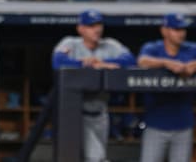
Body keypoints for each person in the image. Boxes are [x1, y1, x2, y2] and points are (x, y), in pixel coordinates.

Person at [52, 9, 136, 162]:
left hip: (101, 113)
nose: (97, 29)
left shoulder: (110, 45)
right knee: (95, 157)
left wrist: (105, 64)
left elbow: (130, 61)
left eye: (98, 25)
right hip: (75, 114)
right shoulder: (71, 43)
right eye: (91, 26)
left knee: (96, 156)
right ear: (81, 29)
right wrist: (83, 64)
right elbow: (57, 62)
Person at [137, 12, 196, 162]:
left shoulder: (190, 49)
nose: (180, 33)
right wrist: (167, 63)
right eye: (176, 29)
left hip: (183, 124)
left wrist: (193, 65)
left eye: (182, 29)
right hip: (156, 124)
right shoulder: (153, 48)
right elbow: (142, 61)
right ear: (164, 31)